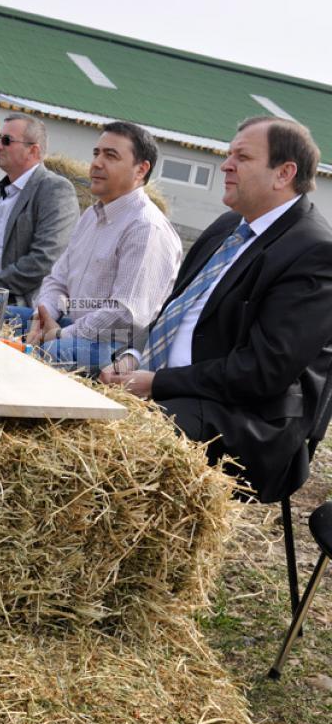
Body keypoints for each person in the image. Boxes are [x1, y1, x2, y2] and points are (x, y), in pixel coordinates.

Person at [101, 116, 332, 502]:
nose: (225, 165)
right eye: (228, 155)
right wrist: (132, 356)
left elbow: (262, 372)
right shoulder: (228, 226)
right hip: (175, 387)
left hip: (247, 419)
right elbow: (176, 310)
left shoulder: (314, 252)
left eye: (241, 157)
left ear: (283, 173)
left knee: (111, 444)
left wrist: (156, 383)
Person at [16, 121, 181, 374]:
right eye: (96, 153)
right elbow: (57, 279)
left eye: (111, 156)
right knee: (1, 315)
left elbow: (125, 314)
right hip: (69, 325)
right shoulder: (91, 216)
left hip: (113, 347)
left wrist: (60, 334)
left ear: (141, 170)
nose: (97, 163)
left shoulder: (146, 228)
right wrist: (43, 316)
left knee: (50, 353)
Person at [0, 114, 79, 304]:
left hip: (16, 303)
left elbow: (44, 261)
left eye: (6, 140)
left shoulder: (55, 190)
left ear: (33, 151)